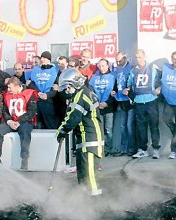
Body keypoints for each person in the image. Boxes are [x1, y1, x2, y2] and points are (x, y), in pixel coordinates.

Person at [56, 68, 103, 196]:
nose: (67, 91)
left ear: (74, 83)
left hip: (90, 141)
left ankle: (96, 203)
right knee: (82, 174)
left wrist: (61, 131)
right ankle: (83, 201)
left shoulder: (81, 96)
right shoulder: (84, 93)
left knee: (90, 175)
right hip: (85, 141)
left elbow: (73, 117)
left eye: (68, 87)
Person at [0, 77, 37, 170]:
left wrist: (19, 122)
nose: (8, 90)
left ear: (17, 86)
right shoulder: (7, 95)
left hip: (24, 121)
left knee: (25, 132)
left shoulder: (29, 94)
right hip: (11, 120)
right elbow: (4, 110)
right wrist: (9, 120)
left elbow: (31, 111)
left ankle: (24, 159)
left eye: (10, 88)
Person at [125, 49, 161, 159]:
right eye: (136, 57)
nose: (138, 59)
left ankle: (156, 149)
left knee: (154, 126)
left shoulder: (152, 67)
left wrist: (159, 88)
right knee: (141, 127)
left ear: (144, 57)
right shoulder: (133, 70)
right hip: (139, 101)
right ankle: (143, 149)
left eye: (140, 57)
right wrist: (127, 90)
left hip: (151, 101)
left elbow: (161, 81)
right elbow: (130, 84)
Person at [90, 58, 117, 156]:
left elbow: (115, 92)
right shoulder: (94, 77)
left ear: (107, 65)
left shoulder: (113, 77)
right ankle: (100, 149)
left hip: (109, 107)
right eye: (99, 66)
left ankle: (108, 149)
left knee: (108, 130)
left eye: (103, 65)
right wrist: (97, 103)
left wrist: (107, 103)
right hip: (97, 107)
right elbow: (90, 91)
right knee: (99, 130)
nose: (101, 68)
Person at [111, 51, 135, 156]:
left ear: (125, 58)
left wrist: (129, 89)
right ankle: (123, 148)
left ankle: (131, 148)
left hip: (130, 100)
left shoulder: (131, 68)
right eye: (116, 61)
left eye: (120, 60)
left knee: (130, 125)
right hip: (120, 100)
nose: (118, 62)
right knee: (122, 126)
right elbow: (116, 83)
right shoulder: (116, 69)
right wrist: (114, 91)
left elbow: (134, 82)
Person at [27, 51, 59, 129]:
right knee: (36, 124)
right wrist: (39, 93)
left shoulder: (55, 70)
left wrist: (47, 95)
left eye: (44, 57)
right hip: (37, 99)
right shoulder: (36, 69)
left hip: (48, 101)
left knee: (50, 124)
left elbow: (56, 87)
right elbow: (30, 83)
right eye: (42, 57)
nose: (42, 59)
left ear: (48, 59)